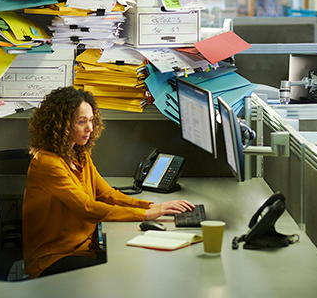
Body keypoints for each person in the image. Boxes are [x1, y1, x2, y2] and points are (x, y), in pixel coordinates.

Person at [22, 86, 194, 278]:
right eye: (81, 122)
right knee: (128, 272)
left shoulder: (79, 155)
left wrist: (152, 206)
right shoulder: (48, 163)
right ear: (61, 124)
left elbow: (107, 194)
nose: (90, 128)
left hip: (86, 247)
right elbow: (87, 208)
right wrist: (145, 214)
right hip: (55, 258)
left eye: (91, 121)